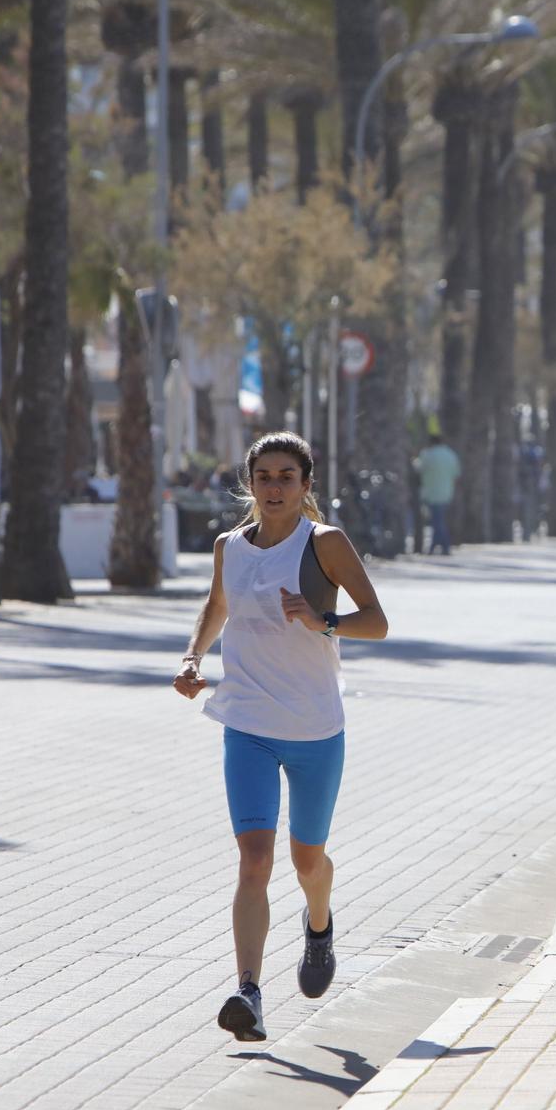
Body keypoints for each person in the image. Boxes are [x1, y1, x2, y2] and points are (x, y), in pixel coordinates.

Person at [174, 433, 390, 1043]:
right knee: (254, 860)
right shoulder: (229, 547)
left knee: (306, 860)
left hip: (316, 726)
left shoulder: (325, 544)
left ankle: (318, 924)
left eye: (286, 477)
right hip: (246, 721)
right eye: (264, 476)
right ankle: (249, 991)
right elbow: (219, 604)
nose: (274, 488)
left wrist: (321, 618)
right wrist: (193, 658)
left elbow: (376, 621)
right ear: (250, 483)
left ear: (305, 485)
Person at [413, 431, 461, 555]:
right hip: (446, 493)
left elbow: (418, 469)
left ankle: (441, 546)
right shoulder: (450, 455)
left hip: (431, 493)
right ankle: (438, 546)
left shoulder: (427, 454)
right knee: (438, 520)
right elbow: (456, 474)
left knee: (437, 521)